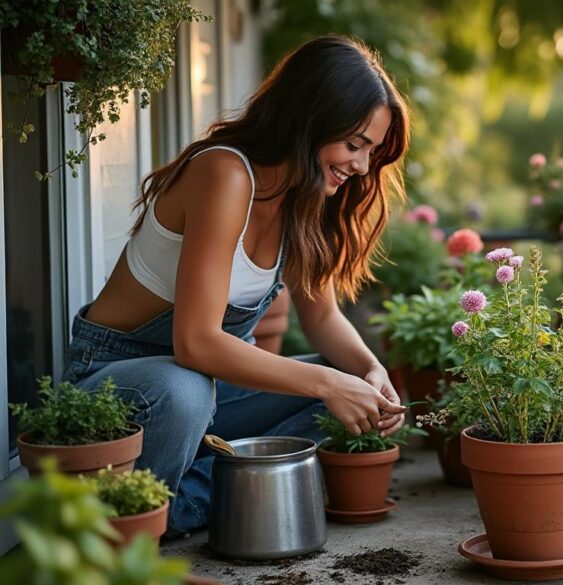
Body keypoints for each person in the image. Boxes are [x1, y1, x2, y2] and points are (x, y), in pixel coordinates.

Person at [60, 36, 409, 536]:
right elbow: (196, 342)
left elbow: (323, 317)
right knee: (186, 389)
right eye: (354, 145)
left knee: (342, 379)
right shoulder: (225, 173)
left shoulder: (302, 197)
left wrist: (369, 374)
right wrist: (330, 384)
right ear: (307, 119)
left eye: (370, 152)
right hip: (125, 387)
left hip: (212, 397)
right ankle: (168, 514)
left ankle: (189, 501)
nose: (361, 167)